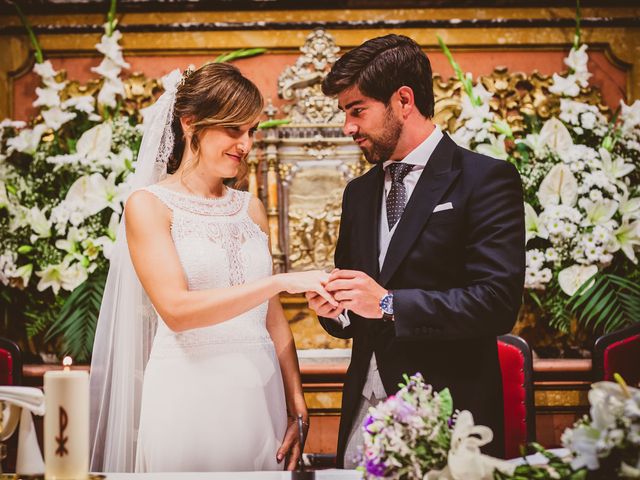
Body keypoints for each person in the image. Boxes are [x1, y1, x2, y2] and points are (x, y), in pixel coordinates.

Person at [89, 62, 336, 472]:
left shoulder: (251, 207)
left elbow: (271, 315)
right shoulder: (149, 206)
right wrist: (277, 280)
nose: (246, 143)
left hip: (260, 394)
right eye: (234, 129)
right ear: (191, 124)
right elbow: (178, 311)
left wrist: (296, 403)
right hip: (190, 393)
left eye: (252, 131)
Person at [306, 34, 525, 467]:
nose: (348, 127)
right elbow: (358, 304)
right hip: (363, 416)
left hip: (449, 415)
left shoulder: (484, 179)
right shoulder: (359, 192)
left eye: (357, 111)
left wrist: (388, 303)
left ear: (403, 100)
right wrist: (337, 310)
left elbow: (496, 304)